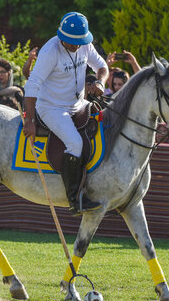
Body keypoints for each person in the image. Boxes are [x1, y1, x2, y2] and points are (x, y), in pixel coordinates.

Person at [23, 12, 109, 215]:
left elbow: (102, 66)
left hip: (78, 104)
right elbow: (32, 85)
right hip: (51, 108)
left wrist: (100, 82)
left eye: (80, 42)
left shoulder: (84, 43)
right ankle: (74, 199)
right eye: (72, 42)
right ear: (61, 36)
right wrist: (30, 119)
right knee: (75, 143)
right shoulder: (50, 51)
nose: (76, 46)